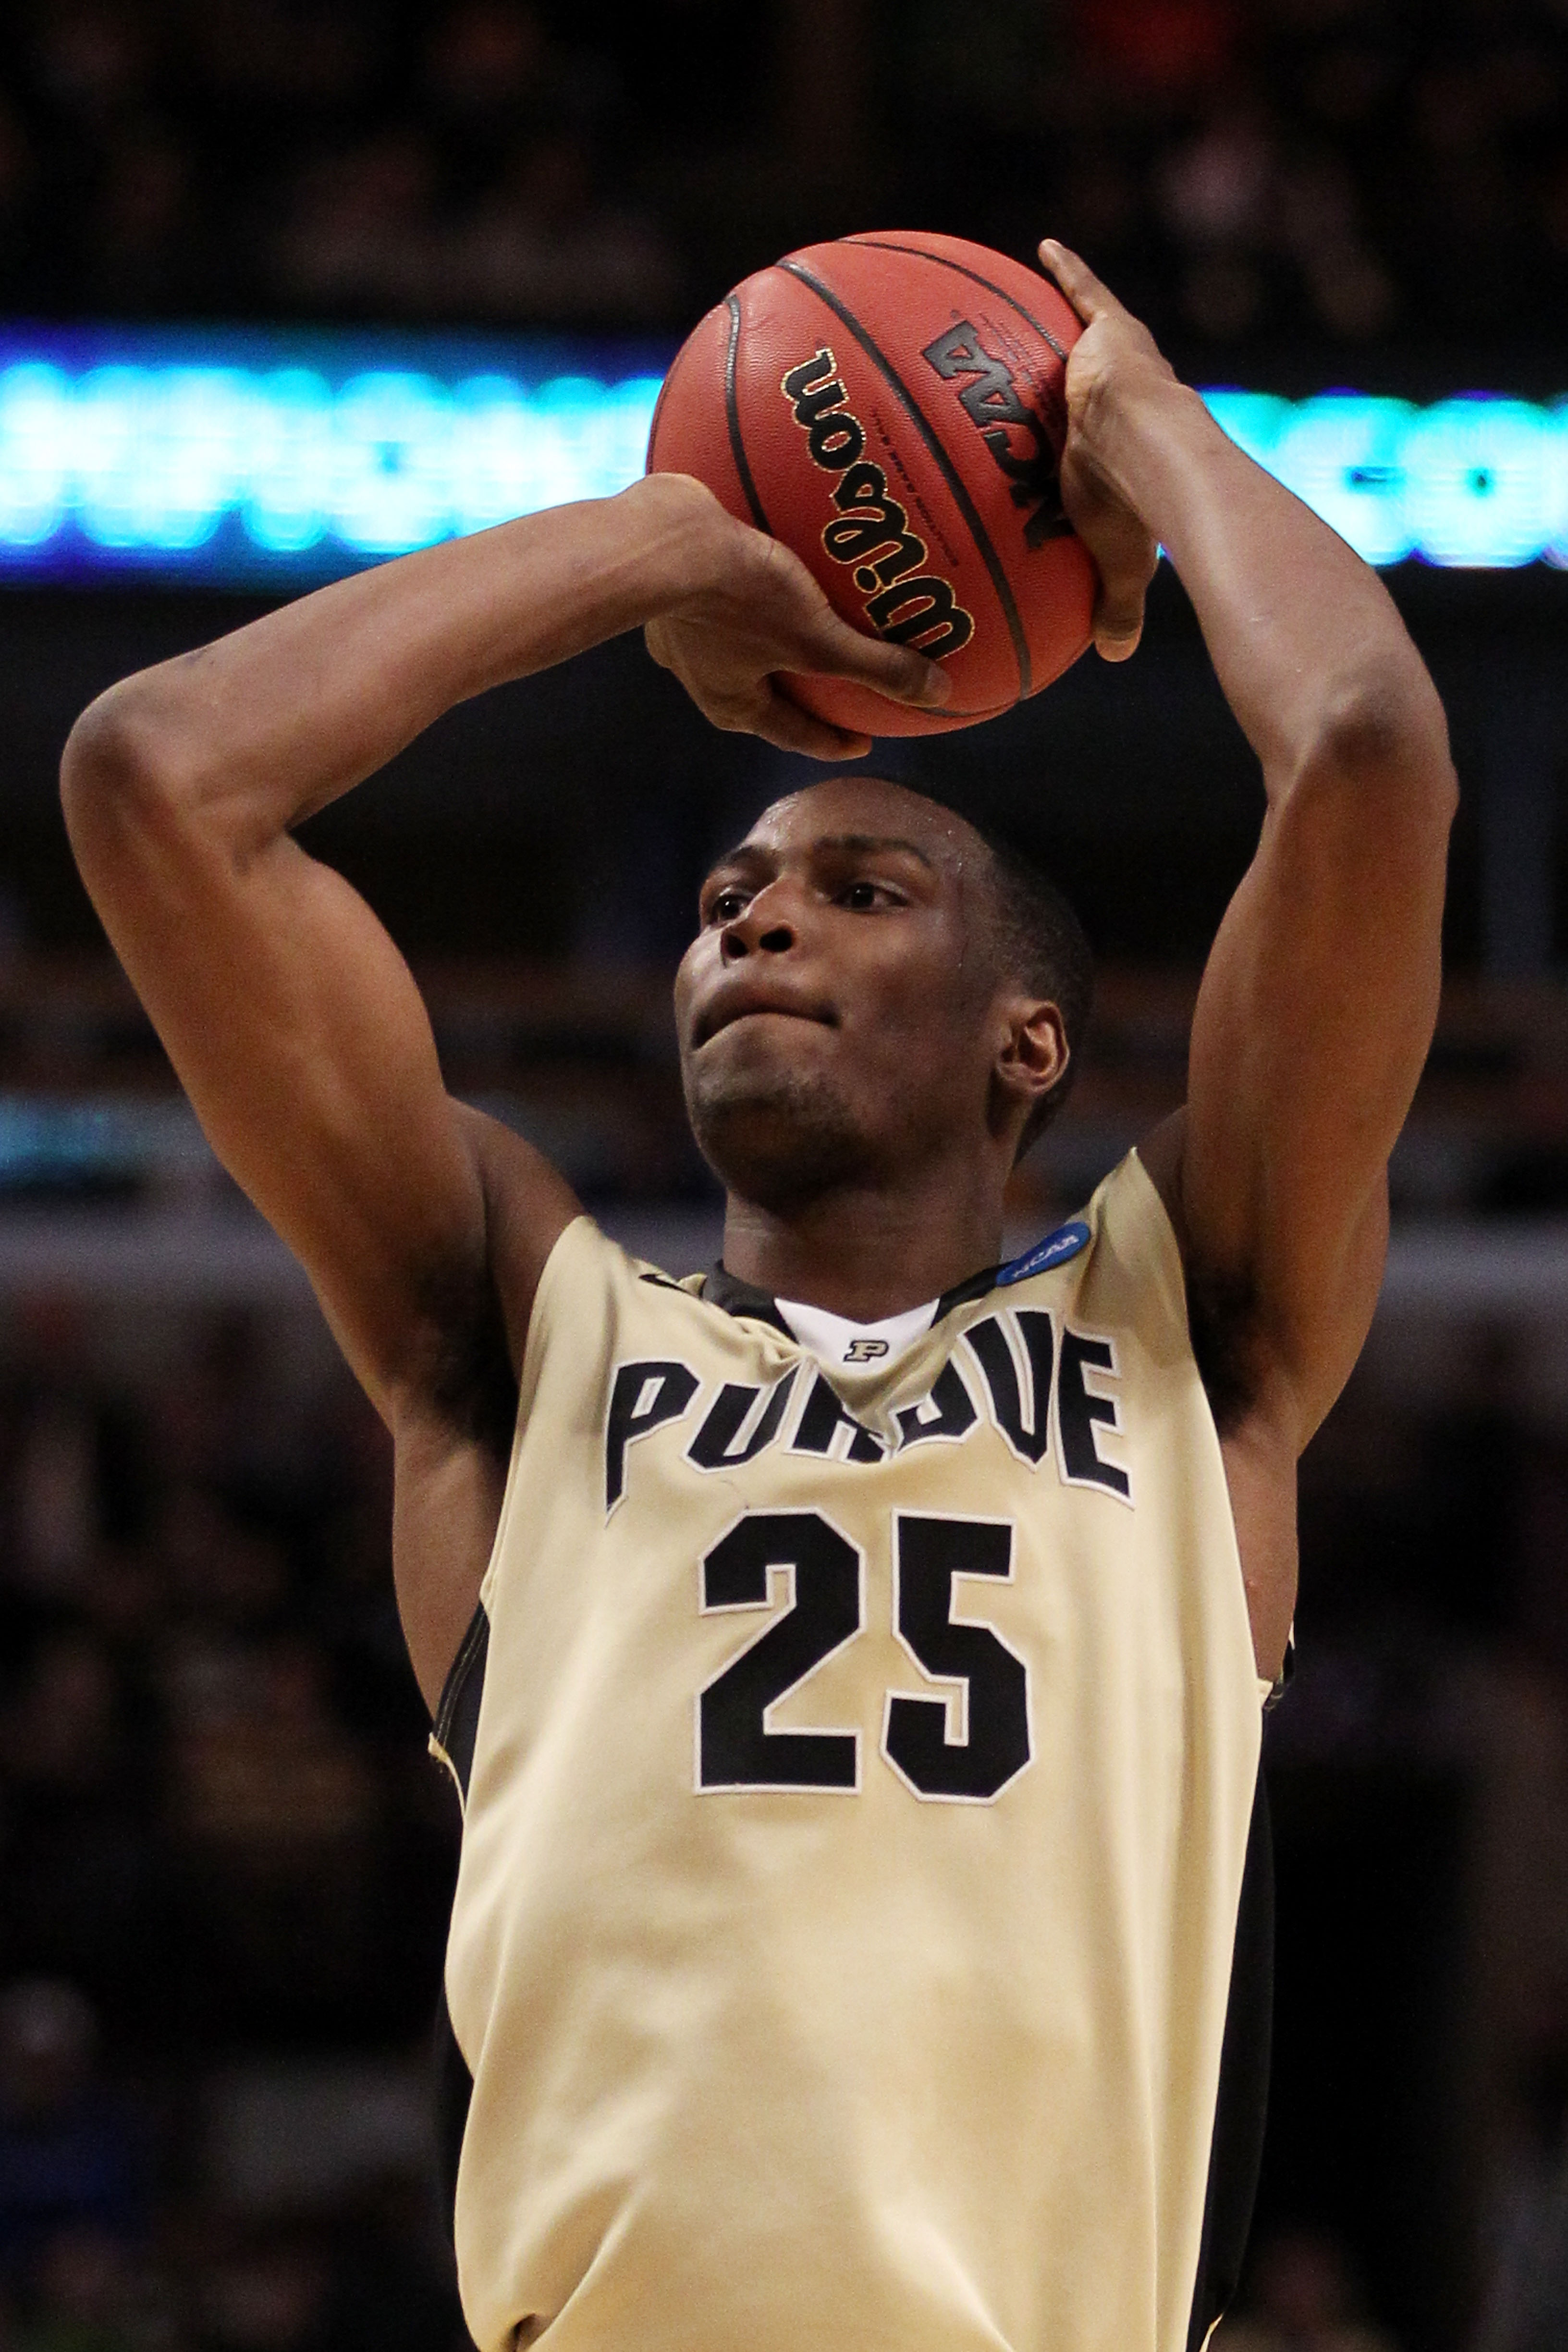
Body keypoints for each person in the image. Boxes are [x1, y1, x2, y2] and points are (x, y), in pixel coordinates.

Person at [60, 244, 1455, 2352]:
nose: (758, 925)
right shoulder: (525, 1334)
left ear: (1027, 1045)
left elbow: (1364, 750)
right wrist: (656, 544)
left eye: (858, 892)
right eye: (727, 903)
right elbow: (161, 777)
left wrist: (1144, 433)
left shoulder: (1192, 1332)